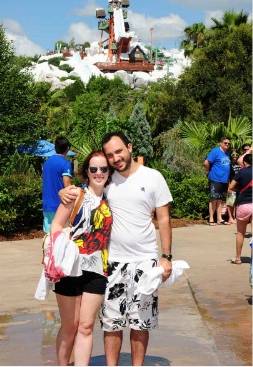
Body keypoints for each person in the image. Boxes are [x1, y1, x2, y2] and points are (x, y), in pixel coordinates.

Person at [59, 131, 173, 366]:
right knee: (112, 321)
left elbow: (163, 219)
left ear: (129, 147)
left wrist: (166, 256)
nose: (115, 158)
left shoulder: (153, 177)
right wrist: (64, 191)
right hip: (111, 263)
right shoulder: (108, 179)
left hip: (145, 261)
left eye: (119, 151)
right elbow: (88, 187)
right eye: (110, 155)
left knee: (141, 321)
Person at [50, 150, 113, 366]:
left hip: (97, 269)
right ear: (86, 172)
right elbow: (56, 225)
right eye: (93, 169)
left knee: (86, 326)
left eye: (103, 169)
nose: (99, 173)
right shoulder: (76, 194)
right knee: (70, 325)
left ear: (108, 171)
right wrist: (59, 250)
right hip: (70, 268)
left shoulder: (111, 197)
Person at [42, 137, 72, 235]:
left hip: (47, 205)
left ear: (55, 147)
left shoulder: (46, 163)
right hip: (60, 206)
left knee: (48, 236)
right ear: (67, 148)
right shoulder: (66, 164)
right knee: (61, 237)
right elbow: (67, 185)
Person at [229, 154, 252, 264]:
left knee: (240, 232)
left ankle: (238, 258)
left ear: (245, 163)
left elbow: (231, 187)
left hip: (243, 205)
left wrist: (240, 188)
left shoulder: (242, 172)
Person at [204, 137, 232, 226]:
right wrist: (208, 172)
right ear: (221, 143)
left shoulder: (227, 154)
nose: (227, 145)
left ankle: (220, 219)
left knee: (220, 200)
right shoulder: (215, 151)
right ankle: (211, 219)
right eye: (225, 143)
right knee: (213, 199)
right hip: (215, 178)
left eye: (228, 143)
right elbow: (206, 162)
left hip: (224, 180)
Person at [226, 149, 241, 224]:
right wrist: (229, 186)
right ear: (230, 156)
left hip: (239, 186)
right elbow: (228, 176)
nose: (235, 156)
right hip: (232, 185)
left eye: (236, 155)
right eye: (233, 155)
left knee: (235, 202)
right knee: (230, 202)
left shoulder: (240, 163)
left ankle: (234, 216)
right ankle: (230, 217)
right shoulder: (229, 164)